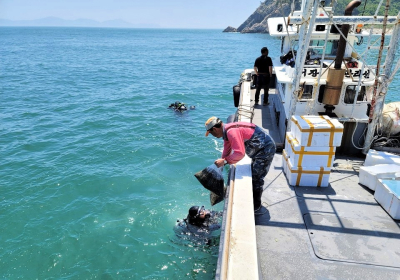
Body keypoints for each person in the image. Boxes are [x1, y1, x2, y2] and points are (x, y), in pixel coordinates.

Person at [205, 117, 276, 211]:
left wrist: (225, 161)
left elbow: (240, 153)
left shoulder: (231, 132)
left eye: (211, 133)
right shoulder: (227, 131)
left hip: (265, 150)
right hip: (258, 150)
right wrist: (221, 163)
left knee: (256, 178)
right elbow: (227, 150)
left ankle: (256, 206)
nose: (212, 135)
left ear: (215, 129)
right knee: (254, 173)